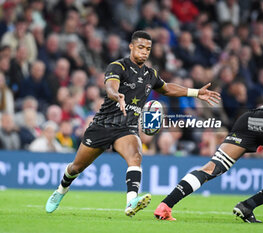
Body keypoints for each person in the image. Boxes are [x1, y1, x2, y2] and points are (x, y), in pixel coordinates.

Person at [45, 31, 220, 217]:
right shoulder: (118, 66)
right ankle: (61, 190)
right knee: (76, 168)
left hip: (126, 127)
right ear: (131, 47)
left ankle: (131, 202)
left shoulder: (150, 74)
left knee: (135, 156)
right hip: (103, 124)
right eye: (141, 48)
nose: (145, 52)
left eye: (148, 49)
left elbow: (167, 88)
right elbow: (111, 86)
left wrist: (195, 93)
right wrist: (116, 95)